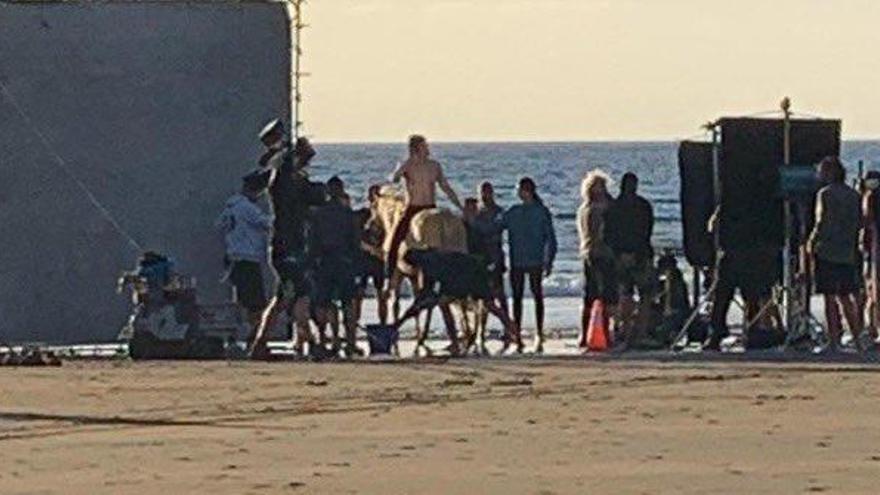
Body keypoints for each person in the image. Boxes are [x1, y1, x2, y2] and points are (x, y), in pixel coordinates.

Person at [250, 121, 326, 359]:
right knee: (299, 295)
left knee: (283, 297)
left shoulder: (282, 177)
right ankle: (311, 343)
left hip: (285, 244)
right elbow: (312, 198)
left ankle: (260, 344)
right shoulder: (287, 180)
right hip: (288, 245)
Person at [395, 248, 519, 355]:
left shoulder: (427, 265)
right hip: (470, 269)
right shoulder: (430, 255)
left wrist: (403, 319)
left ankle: (456, 343)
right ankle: (516, 336)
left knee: (485, 305)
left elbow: (424, 296)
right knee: (491, 307)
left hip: (468, 274)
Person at [808, 156, 866, 352]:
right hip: (847, 251)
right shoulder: (854, 195)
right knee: (846, 296)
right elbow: (860, 221)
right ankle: (858, 338)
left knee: (830, 297)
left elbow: (821, 221)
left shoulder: (825, 194)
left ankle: (834, 339)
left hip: (827, 251)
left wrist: (811, 242)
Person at [386, 135, 463, 276]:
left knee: (394, 242)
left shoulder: (433, 165)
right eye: (424, 146)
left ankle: (388, 275)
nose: (427, 148)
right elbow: (394, 179)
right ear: (416, 148)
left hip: (423, 207)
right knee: (395, 240)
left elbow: (446, 187)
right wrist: (402, 168)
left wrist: (459, 205)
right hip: (418, 207)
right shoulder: (409, 165)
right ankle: (389, 275)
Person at [308, 176, 362, 357]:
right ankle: (351, 342)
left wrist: (311, 262)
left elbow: (312, 241)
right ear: (341, 190)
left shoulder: (318, 214)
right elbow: (355, 241)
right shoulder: (348, 214)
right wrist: (355, 263)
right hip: (344, 261)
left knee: (323, 302)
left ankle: (324, 340)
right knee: (348, 303)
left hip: (324, 261)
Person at [502, 177, 557, 353]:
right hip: (525, 260)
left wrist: (549, 260)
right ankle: (527, 333)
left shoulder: (535, 211)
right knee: (529, 297)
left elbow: (550, 238)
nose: (518, 192)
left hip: (527, 260)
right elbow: (495, 227)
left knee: (529, 297)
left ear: (526, 191)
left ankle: (535, 333)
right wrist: (549, 260)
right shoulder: (517, 212)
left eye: (520, 189)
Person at [216, 170, 273, 339]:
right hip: (247, 258)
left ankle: (244, 332)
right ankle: (252, 335)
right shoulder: (247, 208)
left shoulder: (231, 206)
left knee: (243, 299)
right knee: (256, 303)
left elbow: (219, 225)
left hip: (233, 256)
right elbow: (267, 223)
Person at [605, 172, 655, 347]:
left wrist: (618, 253)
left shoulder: (613, 207)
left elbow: (608, 235)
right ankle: (640, 332)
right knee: (645, 295)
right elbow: (648, 231)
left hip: (621, 256)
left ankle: (626, 331)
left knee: (625, 295)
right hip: (641, 254)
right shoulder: (643, 206)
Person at [576, 170, 618, 346]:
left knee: (591, 294)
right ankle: (605, 334)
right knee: (606, 295)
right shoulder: (601, 208)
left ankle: (585, 334)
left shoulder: (584, 208)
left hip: (589, 252)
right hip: (602, 254)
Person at [472, 182, 509, 329]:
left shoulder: (499, 212)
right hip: (480, 258)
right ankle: (480, 329)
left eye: (487, 192)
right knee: (482, 296)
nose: (484, 196)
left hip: (496, 256)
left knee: (500, 294)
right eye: (482, 193)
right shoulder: (476, 213)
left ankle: (507, 326)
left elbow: (496, 229)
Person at [353, 185, 389, 325]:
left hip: (378, 260)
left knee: (381, 295)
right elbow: (356, 237)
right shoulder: (363, 215)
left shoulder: (386, 218)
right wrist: (370, 248)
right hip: (364, 259)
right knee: (359, 295)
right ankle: (354, 326)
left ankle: (383, 324)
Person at [862, 171, 880, 340]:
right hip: (872, 250)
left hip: (873, 251)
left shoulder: (870, 197)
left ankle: (873, 328)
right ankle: (872, 328)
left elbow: (867, 221)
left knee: (873, 291)